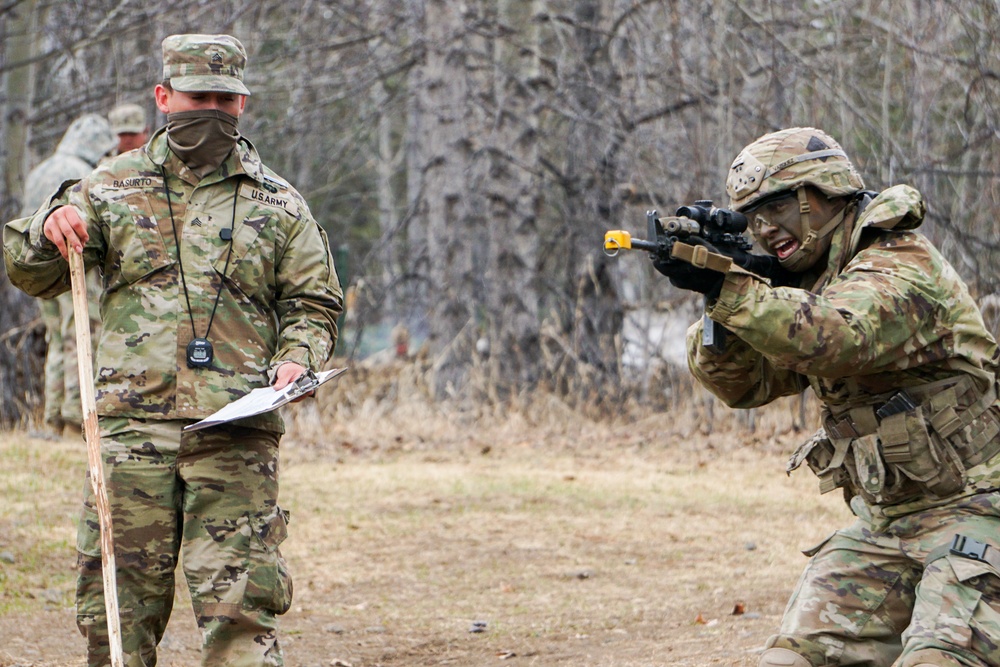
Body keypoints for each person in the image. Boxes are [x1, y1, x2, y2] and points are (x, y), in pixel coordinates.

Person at [4, 34, 343, 667]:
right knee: (116, 616)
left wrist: (299, 354)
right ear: (164, 98)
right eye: (196, 97)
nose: (210, 110)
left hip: (237, 434)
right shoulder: (109, 188)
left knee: (242, 613)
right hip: (132, 435)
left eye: (224, 98)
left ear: (243, 104)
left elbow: (314, 303)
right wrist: (49, 228)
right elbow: (32, 269)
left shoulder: (280, 203)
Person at [657, 127, 1000, 667]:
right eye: (752, 217)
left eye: (777, 207)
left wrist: (733, 288)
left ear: (823, 194)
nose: (766, 229)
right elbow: (745, 384)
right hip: (884, 525)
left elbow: (837, 338)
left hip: (982, 513)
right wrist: (717, 299)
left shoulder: (899, 261)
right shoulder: (811, 280)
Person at [20, 114, 116, 434]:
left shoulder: (40, 170)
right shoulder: (82, 173)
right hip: (73, 260)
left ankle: (52, 417)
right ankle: (76, 413)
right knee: (82, 332)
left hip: (39, 264)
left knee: (57, 337)